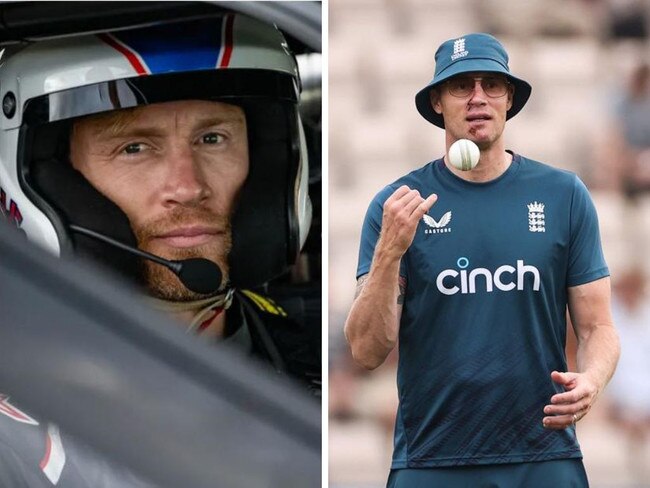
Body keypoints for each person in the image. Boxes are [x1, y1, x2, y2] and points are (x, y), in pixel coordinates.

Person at [0, 13, 319, 486]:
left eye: (213, 139)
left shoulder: (320, 358)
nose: (187, 187)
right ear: (49, 180)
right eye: (134, 147)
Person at [344, 33, 620, 487]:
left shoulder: (563, 195)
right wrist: (390, 251)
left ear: (509, 98)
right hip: (432, 460)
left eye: (491, 84)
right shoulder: (397, 206)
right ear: (437, 101)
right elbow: (366, 351)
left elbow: (598, 328)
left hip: (543, 453)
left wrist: (592, 379)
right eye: (460, 86)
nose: (478, 98)